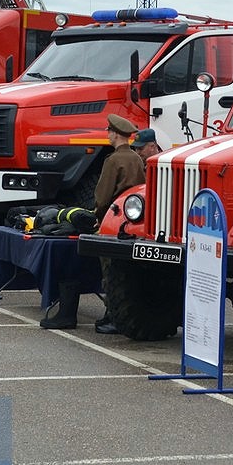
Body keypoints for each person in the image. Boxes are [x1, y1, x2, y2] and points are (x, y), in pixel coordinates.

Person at [82, 114, 146, 334]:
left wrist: (97, 216)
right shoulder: (136, 158)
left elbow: (102, 196)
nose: (107, 134)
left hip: (113, 220)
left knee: (110, 271)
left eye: (109, 131)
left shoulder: (113, 160)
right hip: (134, 222)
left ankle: (112, 316)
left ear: (116, 134)